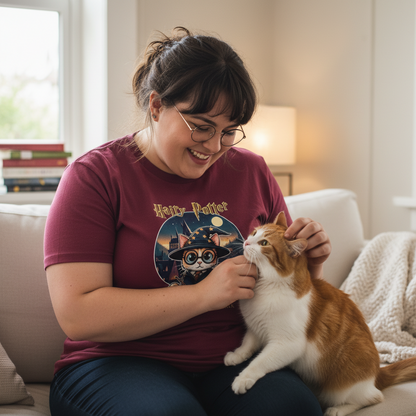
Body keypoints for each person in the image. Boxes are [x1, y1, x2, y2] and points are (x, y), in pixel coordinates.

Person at [45, 27, 331, 416]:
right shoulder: (95, 176)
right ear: (157, 105)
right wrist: (203, 294)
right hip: (117, 362)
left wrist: (308, 260)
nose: (214, 147)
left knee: (293, 408)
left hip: (231, 355)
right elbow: (78, 315)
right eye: (201, 126)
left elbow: (286, 290)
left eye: (229, 132)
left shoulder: (252, 171)